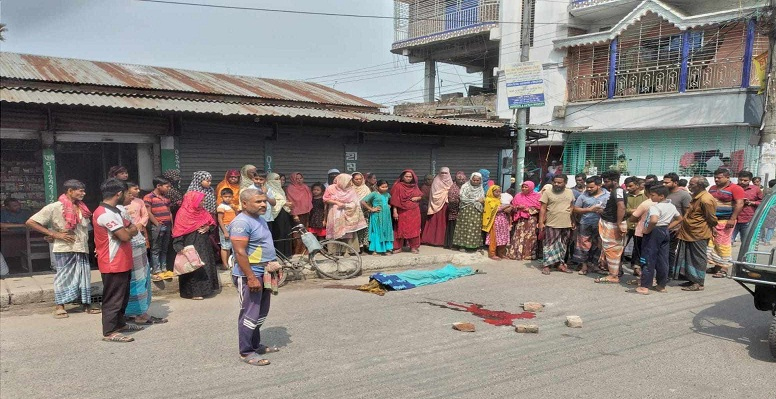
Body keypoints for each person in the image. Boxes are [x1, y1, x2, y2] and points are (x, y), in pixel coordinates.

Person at [26, 180, 98, 319]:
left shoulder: (82, 208)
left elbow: (87, 228)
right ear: (70, 191)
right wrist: (53, 234)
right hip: (64, 247)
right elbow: (31, 222)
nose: (83, 193)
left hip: (81, 247)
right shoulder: (55, 207)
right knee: (63, 277)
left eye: (83, 190)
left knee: (84, 276)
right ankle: (59, 305)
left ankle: (86, 304)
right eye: (80, 190)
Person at [229, 188, 280, 366]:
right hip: (250, 274)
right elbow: (239, 252)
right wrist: (250, 277)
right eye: (258, 202)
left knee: (261, 312)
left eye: (264, 201)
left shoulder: (259, 219)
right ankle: (246, 351)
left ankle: (255, 344)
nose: (263, 204)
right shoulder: (241, 223)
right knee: (249, 314)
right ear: (244, 203)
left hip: (264, 272)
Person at [93, 178, 142, 342]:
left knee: (123, 296)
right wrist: (126, 231)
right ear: (119, 193)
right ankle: (109, 331)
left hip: (123, 260)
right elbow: (126, 235)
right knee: (113, 298)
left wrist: (127, 231)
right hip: (112, 261)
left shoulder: (116, 211)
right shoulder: (104, 213)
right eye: (126, 193)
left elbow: (133, 229)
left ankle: (120, 324)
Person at [121, 182, 166, 325]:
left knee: (142, 277)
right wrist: (134, 229)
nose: (132, 195)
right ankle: (138, 313)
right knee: (137, 279)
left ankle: (137, 311)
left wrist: (140, 226)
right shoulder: (119, 211)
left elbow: (145, 216)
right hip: (132, 244)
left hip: (138, 241)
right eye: (129, 192)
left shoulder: (138, 202)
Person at [674, 177, 718, 291]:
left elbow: (712, 218)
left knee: (698, 257)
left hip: (699, 233)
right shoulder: (695, 196)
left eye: (692, 184)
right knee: (689, 256)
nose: (689, 185)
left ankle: (698, 282)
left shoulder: (706, 199)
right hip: (689, 232)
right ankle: (691, 279)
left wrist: (713, 228)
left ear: (700, 185)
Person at [172, 191, 219, 300]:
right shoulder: (183, 213)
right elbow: (178, 231)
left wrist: (208, 228)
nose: (202, 203)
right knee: (192, 267)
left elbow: (211, 224)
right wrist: (179, 247)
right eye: (200, 201)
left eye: (203, 200)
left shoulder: (202, 211)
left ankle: (207, 289)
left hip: (204, 244)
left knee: (205, 265)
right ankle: (194, 292)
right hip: (190, 244)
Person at [636, 185, 682, 295]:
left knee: (647, 258)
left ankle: (644, 286)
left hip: (654, 232)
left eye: (653, 195)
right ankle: (661, 285)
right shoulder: (671, 206)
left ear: (661, 196)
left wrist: (647, 230)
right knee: (663, 260)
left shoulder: (655, 207)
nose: (651, 197)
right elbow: (680, 218)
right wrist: (668, 227)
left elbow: (653, 220)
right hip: (664, 231)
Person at [707, 169, 745, 278]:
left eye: (719, 177)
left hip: (726, 220)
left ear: (728, 178)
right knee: (712, 243)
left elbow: (739, 204)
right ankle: (716, 266)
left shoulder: (736, 188)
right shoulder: (712, 188)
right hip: (713, 220)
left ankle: (724, 268)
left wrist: (732, 219)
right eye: (715, 177)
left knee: (723, 243)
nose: (716, 179)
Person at [538, 174, 575, 274]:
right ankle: (547, 265)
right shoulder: (547, 192)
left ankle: (560, 264)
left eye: (559, 182)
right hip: (551, 223)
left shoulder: (570, 191)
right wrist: (541, 222)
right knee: (549, 245)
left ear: (565, 183)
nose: (556, 184)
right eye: (554, 182)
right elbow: (543, 208)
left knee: (563, 245)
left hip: (566, 224)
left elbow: (572, 205)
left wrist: (571, 217)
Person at [572, 176, 609, 275]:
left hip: (602, 225)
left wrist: (603, 211)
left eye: (591, 187)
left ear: (599, 185)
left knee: (599, 245)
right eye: (587, 187)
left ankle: (595, 265)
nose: (589, 189)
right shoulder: (583, 196)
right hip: (585, 224)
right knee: (583, 245)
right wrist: (589, 210)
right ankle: (584, 266)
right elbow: (575, 209)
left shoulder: (608, 195)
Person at [595, 170, 627, 284]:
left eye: (607, 181)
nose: (604, 183)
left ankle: (613, 275)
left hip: (612, 224)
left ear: (615, 181)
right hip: (609, 222)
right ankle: (613, 272)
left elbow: (621, 207)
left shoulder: (618, 191)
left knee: (612, 250)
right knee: (610, 249)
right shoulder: (615, 191)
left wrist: (618, 223)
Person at [323, 173, 367, 249]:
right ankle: (333, 251)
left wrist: (345, 205)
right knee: (334, 230)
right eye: (348, 181)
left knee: (348, 232)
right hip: (334, 213)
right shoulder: (331, 188)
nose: (350, 183)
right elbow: (325, 199)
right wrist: (336, 202)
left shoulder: (351, 189)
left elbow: (355, 203)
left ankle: (347, 251)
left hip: (347, 213)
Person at [144, 177, 174, 281]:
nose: (169, 188)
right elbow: (148, 212)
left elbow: (169, 212)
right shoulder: (149, 197)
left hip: (167, 225)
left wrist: (172, 226)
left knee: (164, 248)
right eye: (167, 186)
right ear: (158, 186)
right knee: (156, 248)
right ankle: (156, 269)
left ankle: (164, 268)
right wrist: (157, 224)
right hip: (157, 227)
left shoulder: (166, 198)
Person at [390, 170, 423, 254]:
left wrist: (417, 198)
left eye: (410, 177)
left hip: (414, 211)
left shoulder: (414, 186)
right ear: (402, 177)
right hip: (402, 211)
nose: (408, 178)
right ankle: (398, 247)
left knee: (414, 229)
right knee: (400, 229)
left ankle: (414, 247)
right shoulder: (398, 186)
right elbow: (394, 200)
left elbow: (420, 196)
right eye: (406, 176)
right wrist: (395, 212)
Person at [628, 181, 657, 277]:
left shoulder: (645, 204)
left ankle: (641, 276)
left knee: (640, 254)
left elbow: (633, 218)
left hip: (641, 232)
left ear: (646, 191)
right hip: (656, 232)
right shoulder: (664, 203)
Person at [664, 172, 692, 268]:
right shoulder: (663, 194)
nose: (664, 184)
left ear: (675, 183)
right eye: (664, 182)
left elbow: (687, 214)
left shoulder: (684, 195)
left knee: (670, 252)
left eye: (667, 183)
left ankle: (669, 272)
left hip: (675, 229)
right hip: (663, 228)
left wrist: (681, 227)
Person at [506, 181, 540, 261]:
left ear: (531, 187)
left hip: (531, 220)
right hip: (520, 219)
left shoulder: (537, 196)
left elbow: (539, 208)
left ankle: (528, 255)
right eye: (523, 187)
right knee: (518, 235)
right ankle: (516, 254)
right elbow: (513, 206)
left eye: (526, 187)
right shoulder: (518, 196)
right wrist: (517, 207)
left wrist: (528, 209)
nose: (524, 188)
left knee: (530, 236)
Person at [452, 172, 485, 251]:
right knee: (464, 227)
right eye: (474, 180)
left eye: (477, 180)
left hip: (476, 210)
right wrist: (476, 200)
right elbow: (463, 198)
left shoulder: (481, 188)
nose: (475, 182)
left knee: (475, 227)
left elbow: (482, 199)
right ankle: (462, 245)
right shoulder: (465, 186)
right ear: (471, 179)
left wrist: (480, 201)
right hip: (465, 210)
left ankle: (475, 245)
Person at [421, 167, 453, 247]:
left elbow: (453, 193)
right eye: (442, 173)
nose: (444, 175)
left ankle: (444, 241)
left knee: (445, 223)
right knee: (436, 222)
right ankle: (432, 240)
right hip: (437, 206)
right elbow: (434, 195)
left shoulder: (451, 182)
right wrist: (446, 192)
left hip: (446, 206)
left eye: (446, 173)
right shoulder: (436, 181)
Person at [361, 180, 394, 255]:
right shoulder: (374, 194)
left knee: (386, 230)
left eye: (386, 187)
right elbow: (363, 201)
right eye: (382, 187)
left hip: (386, 216)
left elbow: (389, 202)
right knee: (377, 231)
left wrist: (389, 205)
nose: (385, 188)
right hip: (377, 216)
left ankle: (387, 248)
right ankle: (375, 249)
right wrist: (371, 209)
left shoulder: (387, 194)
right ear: (377, 187)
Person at [623, 176, 647, 276]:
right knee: (621, 247)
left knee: (638, 249)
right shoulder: (625, 196)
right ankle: (618, 268)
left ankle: (636, 268)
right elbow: (623, 210)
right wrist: (637, 211)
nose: (628, 188)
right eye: (626, 186)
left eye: (630, 186)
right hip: (626, 225)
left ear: (637, 185)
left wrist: (635, 211)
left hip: (639, 226)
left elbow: (647, 209)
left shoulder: (645, 196)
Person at [266, 172, 294, 257]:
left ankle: (287, 254)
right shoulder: (268, 189)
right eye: (276, 179)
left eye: (279, 179)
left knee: (286, 232)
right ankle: (278, 254)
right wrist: (284, 203)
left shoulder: (280, 189)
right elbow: (272, 201)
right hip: (276, 215)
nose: (278, 181)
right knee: (279, 233)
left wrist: (286, 204)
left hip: (283, 214)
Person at [285, 172, 313, 254]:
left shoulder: (305, 187)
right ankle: (297, 251)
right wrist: (294, 214)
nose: (299, 180)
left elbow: (309, 199)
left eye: (301, 178)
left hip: (306, 213)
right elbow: (290, 201)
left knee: (305, 232)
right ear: (293, 179)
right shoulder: (290, 188)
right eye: (297, 178)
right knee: (297, 234)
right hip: (296, 214)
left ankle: (304, 250)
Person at [733, 171, 763, 246]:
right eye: (740, 180)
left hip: (748, 219)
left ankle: (744, 257)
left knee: (746, 243)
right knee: (727, 243)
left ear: (750, 181)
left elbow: (762, 202)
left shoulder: (756, 189)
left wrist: (751, 203)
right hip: (733, 219)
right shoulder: (733, 188)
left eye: (745, 180)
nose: (742, 182)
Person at [484, 185, 512, 260]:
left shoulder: (499, 199)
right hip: (494, 221)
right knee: (494, 237)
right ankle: (492, 254)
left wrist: (509, 208)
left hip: (503, 221)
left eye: (499, 192)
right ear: (491, 192)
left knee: (503, 237)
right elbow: (495, 209)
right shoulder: (488, 200)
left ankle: (501, 253)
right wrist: (506, 206)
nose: (498, 193)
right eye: (496, 192)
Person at [352, 172, 373, 254]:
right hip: (353, 212)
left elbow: (370, 199)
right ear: (352, 180)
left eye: (360, 179)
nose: (358, 181)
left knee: (365, 229)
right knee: (356, 230)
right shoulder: (350, 189)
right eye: (356, 179)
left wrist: (368, 207)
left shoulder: (366, 188)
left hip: (365, 212)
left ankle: (365, 246)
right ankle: (358, 247)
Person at [444, 171, 466, 249]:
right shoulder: (453, 188)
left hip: (464, 213)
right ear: (456, 179)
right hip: (455, 213)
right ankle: (452, 245)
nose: (461, 181)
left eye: (463, 179)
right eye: (459, 179)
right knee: (454, 229)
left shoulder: (465, 187)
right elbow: (452, 201)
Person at [217, 188, 238, 269]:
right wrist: (225, 231)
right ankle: (224, 264)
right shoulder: (221, 207)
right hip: (225, 226)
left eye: (229, 196)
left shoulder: (231, 206)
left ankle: (229, 263)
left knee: (229, 246)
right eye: (225, 196)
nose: (228, 198)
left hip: (233, 226)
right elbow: (220, 219)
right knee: (225, 247)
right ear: (221, 197)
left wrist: (235, 208)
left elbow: (236, 214)